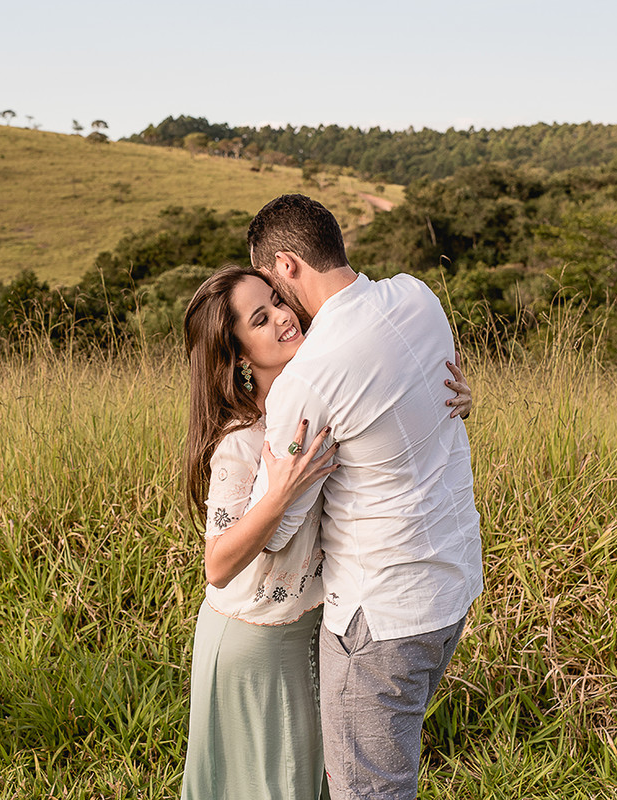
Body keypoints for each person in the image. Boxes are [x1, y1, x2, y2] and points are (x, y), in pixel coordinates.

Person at [180, 264, 472, 800]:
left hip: (314, 629)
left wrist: (447, 402)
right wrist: (279, 495)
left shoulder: (320, 398)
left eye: (278, 301)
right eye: (261, 319)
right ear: (239, 355)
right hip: (254, 642)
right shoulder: (242, 444)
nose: (285, 318)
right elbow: (217, 565)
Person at [246, 194, 483, 800]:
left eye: (272, 289)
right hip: (451, 586)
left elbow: (273, 532)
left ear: (286, 264)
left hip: (379, 615)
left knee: (368, 791)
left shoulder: (308, 377)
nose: (278, 309)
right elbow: (436, 395)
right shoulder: (418, 297)